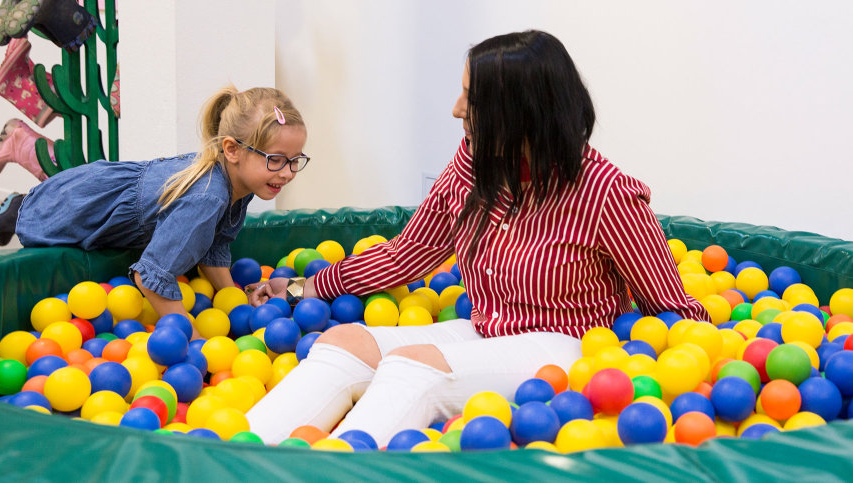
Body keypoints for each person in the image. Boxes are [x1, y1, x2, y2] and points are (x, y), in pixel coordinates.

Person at [244, 30, 709, 447]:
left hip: (570, 344)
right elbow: (410, 253)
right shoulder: (474, 162)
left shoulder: (605, 193)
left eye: (472, 98)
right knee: (343, 343)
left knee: (412, 368)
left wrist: (699, 371)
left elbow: (671, 308)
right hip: (485, 329)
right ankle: (226, 458)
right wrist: (307, 286)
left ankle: (328, 470)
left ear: (521, 114)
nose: (456, 109)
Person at [0, 86, 310, 324]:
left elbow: (213, 249)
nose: (287, 172)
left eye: (296, 160)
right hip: (80, 206)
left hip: (103, 192)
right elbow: (150, 276)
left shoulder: (245, 180)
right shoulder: (207, 197)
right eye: (276, 160)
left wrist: (235, 303)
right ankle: (17, 209)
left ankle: (20, 207)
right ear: (232, 150)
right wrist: (192, 339)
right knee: (35, 224)